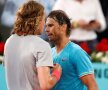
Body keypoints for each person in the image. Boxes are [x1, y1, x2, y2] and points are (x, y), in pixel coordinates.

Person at [4, 1, 62, 90]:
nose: (45, 24)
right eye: (44, 19)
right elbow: (45, 85)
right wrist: (56, 73)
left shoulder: (9, 41)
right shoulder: (42, 45)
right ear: (36, 21)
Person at [45, 10, 98, 90]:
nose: (46, 29)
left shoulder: (77, 52)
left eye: (50, 25)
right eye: (46, 26)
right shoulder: (49, 53)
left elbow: (92, 86)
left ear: (63, 27)